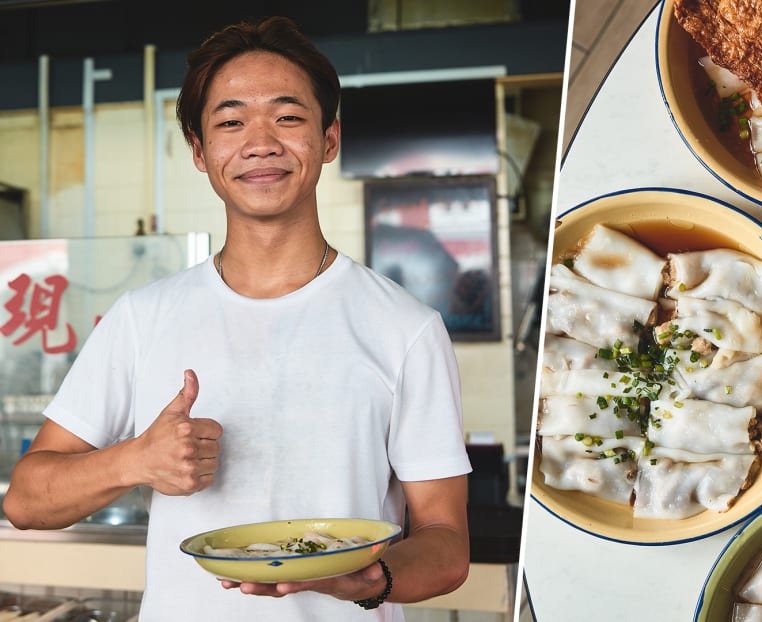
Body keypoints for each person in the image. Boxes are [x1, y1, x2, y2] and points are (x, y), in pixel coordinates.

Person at [2, 15, 471, 621]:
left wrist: (368, 579)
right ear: (200, 151)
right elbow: (26, 500)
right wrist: (136, 460)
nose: (261, 143)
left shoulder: (405, 327)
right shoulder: (143, 317)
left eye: (288, 117)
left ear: (329, 139)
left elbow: (446, 543)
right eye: (230, 121)